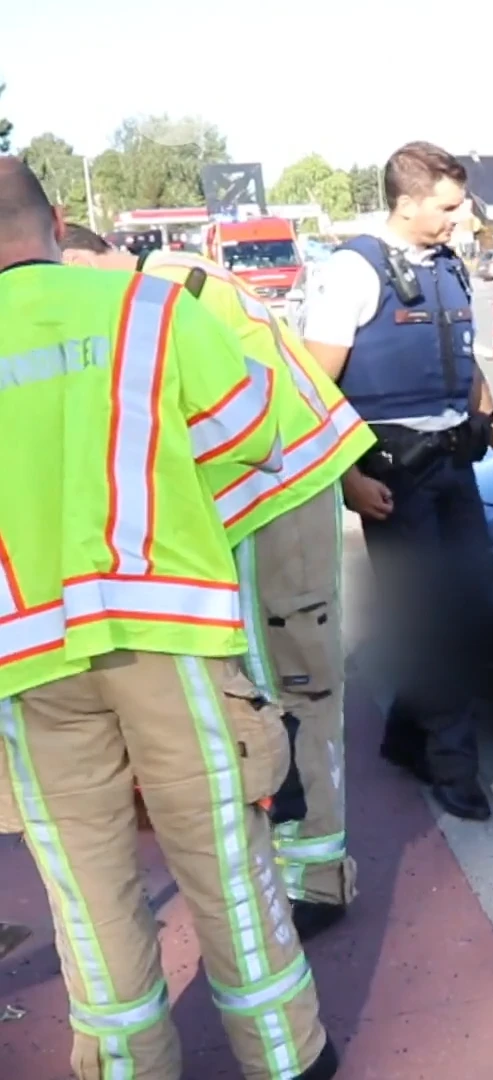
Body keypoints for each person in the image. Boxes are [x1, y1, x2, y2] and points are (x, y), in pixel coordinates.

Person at [0, 158, 337, 1079]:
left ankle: (125, 1066)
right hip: (169, 633)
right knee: (224, 855)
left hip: (24, 660)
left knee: (87, 888)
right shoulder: (146, 311)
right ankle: (284, 1056)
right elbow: (250, 435)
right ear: (58, 221)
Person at [62, 224, 376, 942]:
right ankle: (305, 859)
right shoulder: (168, 282)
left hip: (276, 498)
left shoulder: (167, 292)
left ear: (76, 258)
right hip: (267, 501)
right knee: (284, 685)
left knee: (299, 688)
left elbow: (224, 426)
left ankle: (318, 876)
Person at [295, 141, 493, 822]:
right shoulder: (353, 272)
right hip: (393, 478)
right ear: (409, 200)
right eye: (450, 206)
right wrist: (347, 482)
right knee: (430, 626)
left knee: (474, 607)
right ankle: (456, 773)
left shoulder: (449, 268)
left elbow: (465, 367)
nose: (462, 217)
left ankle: (404, 734)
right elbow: (311, 389)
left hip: (455, 466)